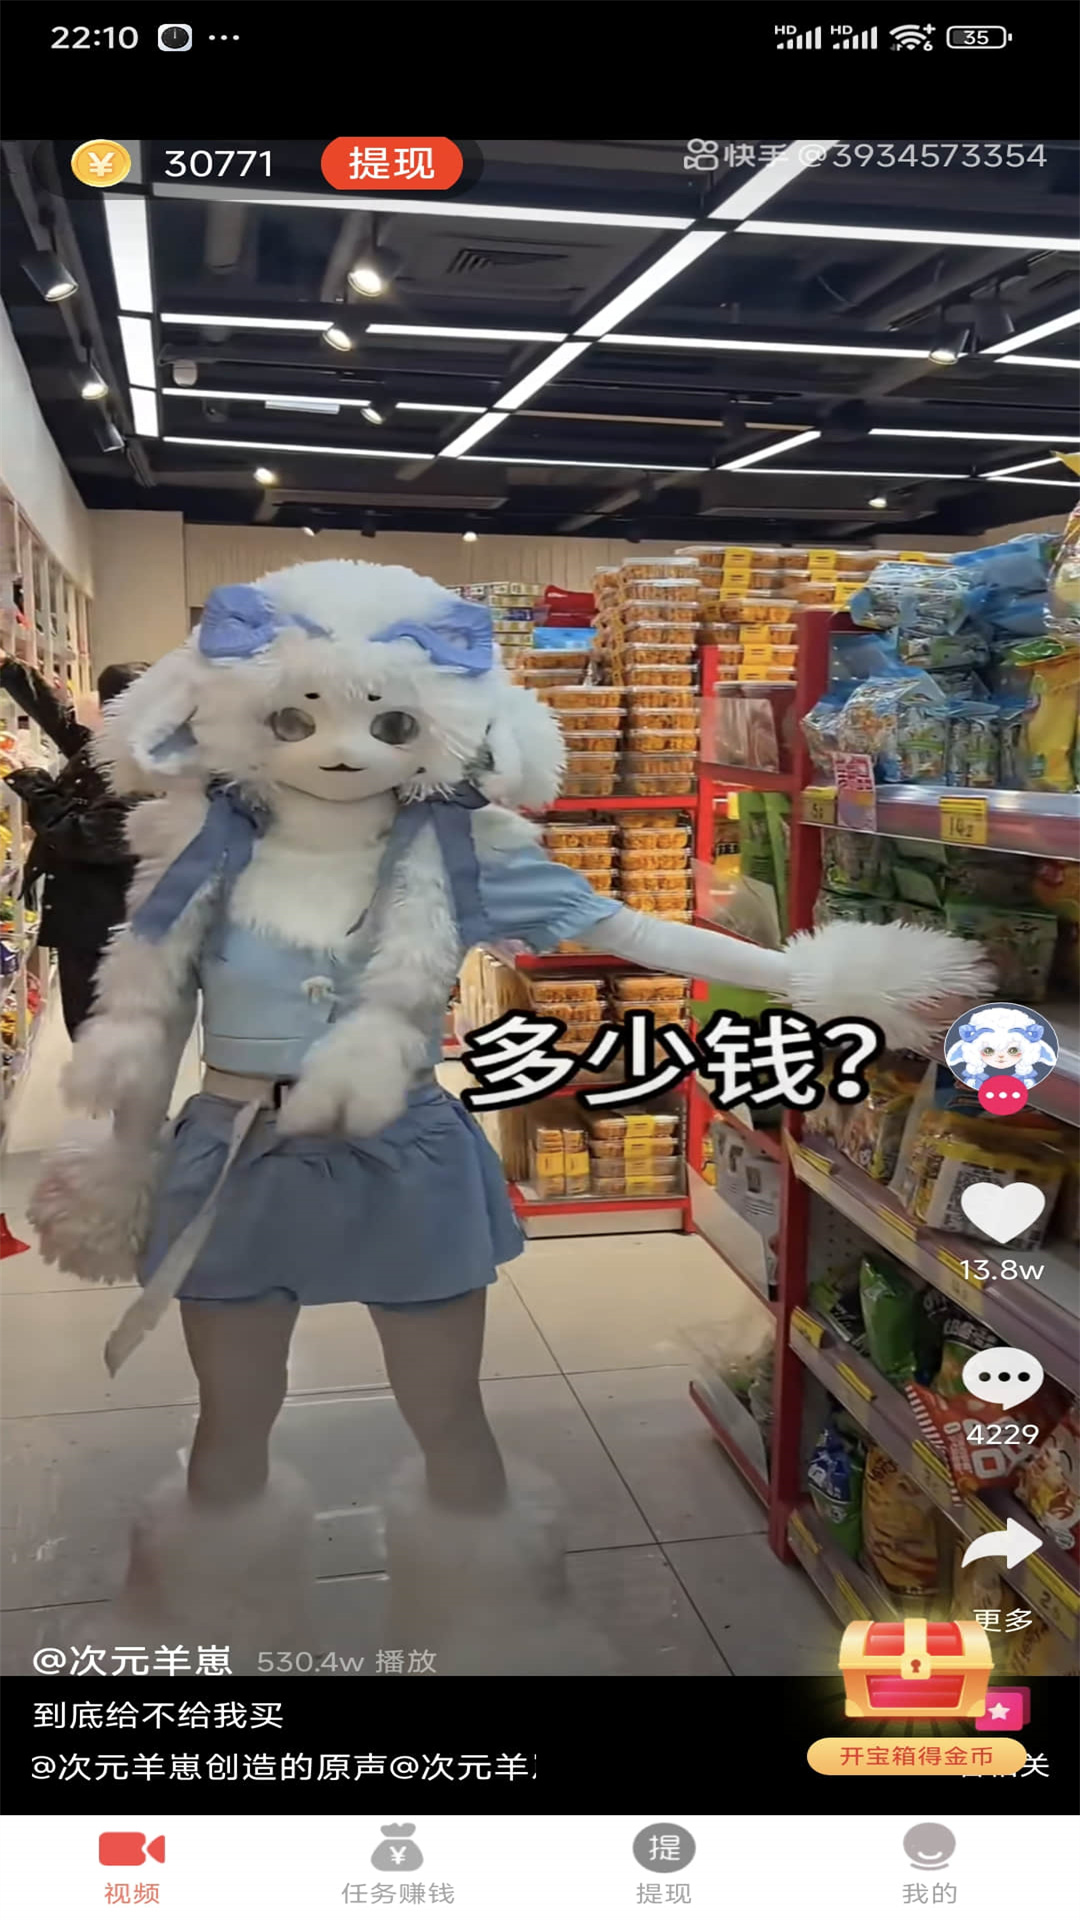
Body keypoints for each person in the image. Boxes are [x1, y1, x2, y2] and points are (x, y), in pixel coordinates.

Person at [28, 561, 992, 1674]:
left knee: (449, 1422)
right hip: (235, 1158)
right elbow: (150, 1014)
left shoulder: (463, 853)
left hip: (405, 1158)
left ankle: (496, 1635)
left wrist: (826, 979)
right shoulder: (200, 854)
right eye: (298, 717)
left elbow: (633, 931)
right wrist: (124, 1156)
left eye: (390, 722)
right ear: (244, 714)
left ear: (440, 725)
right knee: (230, 1428)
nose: (343, 749)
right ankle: (205, 1632)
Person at [0, 655, 147, 1035]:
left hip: (105, 924)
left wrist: (37, 788)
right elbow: (63, 725)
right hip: (98, 916)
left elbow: (86, 838)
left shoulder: (141, 769)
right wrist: (10, 670)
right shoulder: (124, 745)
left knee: (97, 1028)